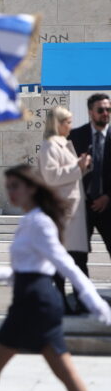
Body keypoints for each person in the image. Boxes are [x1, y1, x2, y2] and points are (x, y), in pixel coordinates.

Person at [0, 164, 111, 391]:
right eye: (8, 187)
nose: (11, 192)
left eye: (15, 186)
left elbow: (65, 264)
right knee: (64, 371)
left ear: (31, 188)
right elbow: (31, 268)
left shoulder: (39, 222)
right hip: (32, 300)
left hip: (34, 303)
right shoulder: (30, 220)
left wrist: (95, 303)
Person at [39, 106, 92, 313]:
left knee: (75, 258)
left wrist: (84, 165)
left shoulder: (61, 144)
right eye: (67, 122)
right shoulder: (50, 146)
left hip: (72, 210)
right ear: (57, 124)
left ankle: (75, 301)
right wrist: (77, 167)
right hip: (64, 211)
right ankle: (63, 300)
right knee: (66, 258)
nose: (71, 125)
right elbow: (52, 176)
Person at [68, 93, 111, 267]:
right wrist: (78, 167)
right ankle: (81, 293)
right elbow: (63, 172)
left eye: (108, 109)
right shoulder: (75, 137)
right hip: (81, 207)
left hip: (108, 205)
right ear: (90, 112)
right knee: (78, 257)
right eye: (100, 110)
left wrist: (107, 196)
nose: (105, 113)